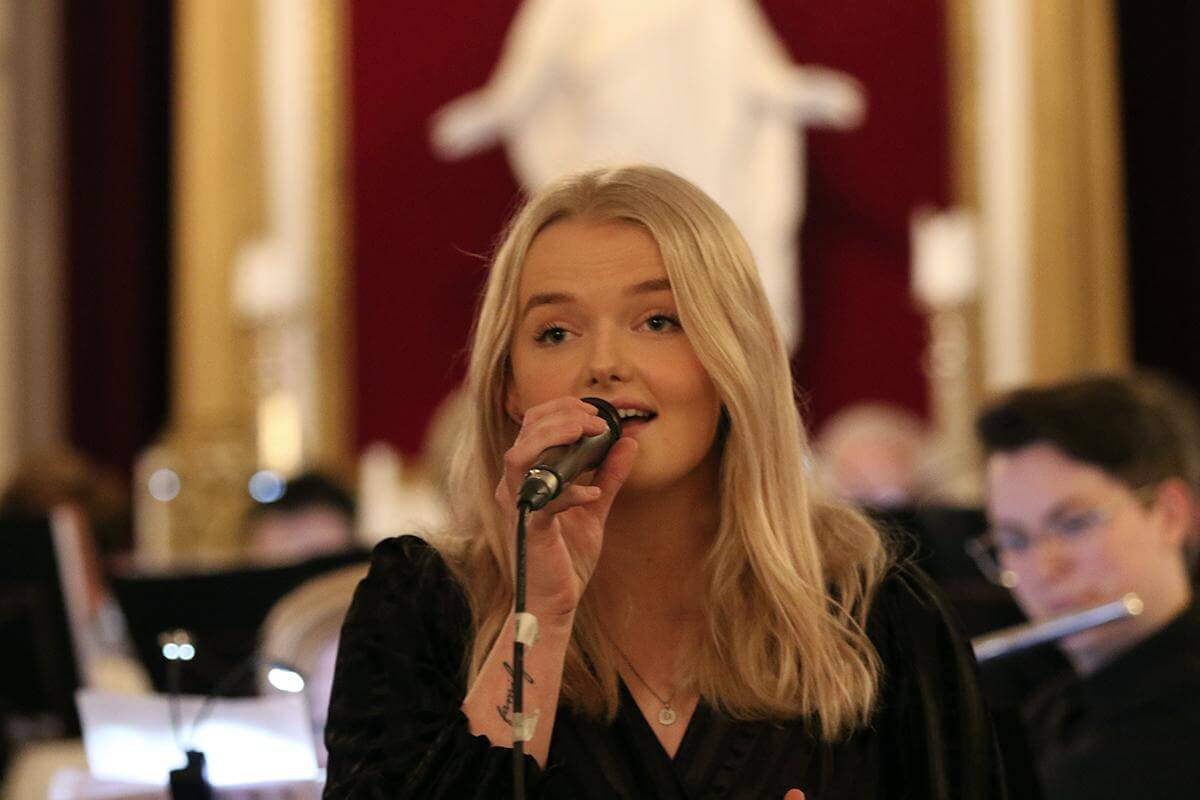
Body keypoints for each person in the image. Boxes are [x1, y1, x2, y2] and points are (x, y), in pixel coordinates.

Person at [324, 166, 1004, 798]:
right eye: (556, 332)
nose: (604, 364)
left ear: (733, 357)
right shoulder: (418, 606)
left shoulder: (875, 610)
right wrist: (543, 611)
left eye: (658, 321)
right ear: (508, 387)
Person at [976, 374, 1200, 799]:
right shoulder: (1047, 716)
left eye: (1075, 524)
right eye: (1014, 539)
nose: (1045, 566)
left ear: (1170, 515)